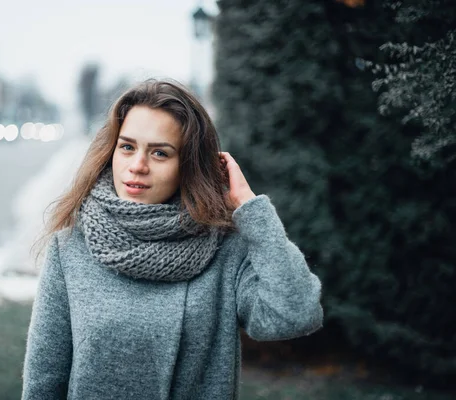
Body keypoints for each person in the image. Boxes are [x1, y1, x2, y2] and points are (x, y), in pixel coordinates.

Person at [22, 79, 323, 400]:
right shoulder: (71, 249)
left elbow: (295, 314)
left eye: (160, 153)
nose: (137, 166)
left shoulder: (225, 250)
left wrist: (250, 207)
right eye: (127, 147)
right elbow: (45, 378)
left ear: (187, 165)